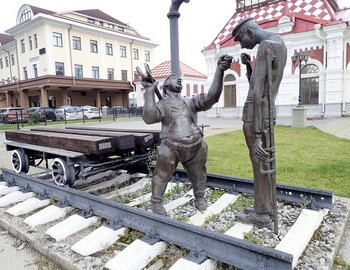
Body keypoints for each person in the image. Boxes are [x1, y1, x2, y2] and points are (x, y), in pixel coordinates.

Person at [141, 55, 232, 215]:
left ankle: (200, 197)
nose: (179, 80)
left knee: (199, 174)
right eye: (175, 78)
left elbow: (212, 97)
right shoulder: (163, 104)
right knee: (161, 175)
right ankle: (156, 202)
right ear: (166, 85)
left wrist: (220, 71)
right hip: (171, 147)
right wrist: (149, 91)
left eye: (180, 79)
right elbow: (149, 118)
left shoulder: (190, 102)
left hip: (196, 145)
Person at [231, 18, 287, 227]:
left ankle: (262, 214)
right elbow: (262, 84)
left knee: (259, 163)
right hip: (266, 112)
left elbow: (258, 93)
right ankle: (266, 206)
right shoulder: (277, 42)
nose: (241, 44)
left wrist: (256, 135)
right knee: (264, 163)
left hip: (256, 114)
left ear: (249, 32)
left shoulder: (265, 46)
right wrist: (249, 68)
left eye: (240, 39)